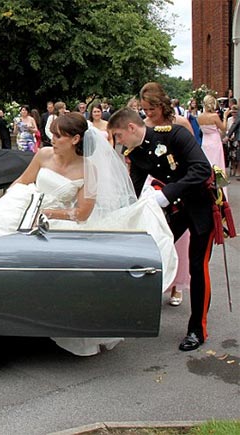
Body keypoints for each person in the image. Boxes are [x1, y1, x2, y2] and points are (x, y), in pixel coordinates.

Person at [0, 113, 176, 355]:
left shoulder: (88, 168)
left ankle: (50, 321)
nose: (53, 139)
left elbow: (83, 213)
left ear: (75, 139)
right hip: (27, 211)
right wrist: (13, 201)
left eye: (59, 136)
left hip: (60, 222)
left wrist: (50, 213)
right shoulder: (43, 155)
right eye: (52, 134)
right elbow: (22, 182)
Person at [108, 108, 215, 352]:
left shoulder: (174, 135)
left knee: (198, 266)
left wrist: (166, 194)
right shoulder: (135, 152)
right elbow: (132, 191)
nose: (119, 142)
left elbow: (201, 170)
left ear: (131, 128)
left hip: (200, 207)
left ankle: (197, 329)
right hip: (175, 210)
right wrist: (116, 215)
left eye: (119, 135)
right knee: (151, 254)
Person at [139, 81, 194, 308]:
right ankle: (156, 282)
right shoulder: (143, 125)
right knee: (155, 234)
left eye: (153, 108)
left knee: (180, 239)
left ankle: (177, 285)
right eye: (145, 109)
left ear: (163, 104)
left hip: (179, 184)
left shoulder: (180, 123)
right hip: (153, 185)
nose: (149, 113)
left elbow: (192, 154)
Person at [198, 95, 227, 172]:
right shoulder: (214, 116)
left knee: (207, 162)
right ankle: (218, 179)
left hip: (205, 141)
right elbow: (223, 128)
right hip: (214, 141)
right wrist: (225, 116)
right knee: (217, 162)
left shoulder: (200, 116)